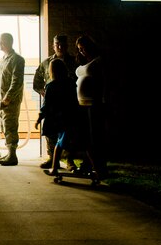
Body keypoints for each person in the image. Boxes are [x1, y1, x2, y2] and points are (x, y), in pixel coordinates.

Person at [32, 34, 77, 169]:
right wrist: (44, 92)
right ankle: (52, 159)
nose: (60, 46)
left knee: (69, 133)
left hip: (68, 104)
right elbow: (37, 82)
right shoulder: (46, 63)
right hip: (52, 105)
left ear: (67, 45)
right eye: (57, 44)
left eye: (62, 44)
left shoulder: (74, 61)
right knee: (51, 133)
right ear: (53, 45)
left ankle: (70, 160)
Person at [35, 57, 81, 181]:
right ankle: (70, 164)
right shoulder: (71, 83)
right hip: (71, 116)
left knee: (59, 144)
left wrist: (39, 118)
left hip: (59, 119)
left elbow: (46, 105)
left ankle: (55, 168)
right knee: (66, 142)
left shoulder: (51, 86)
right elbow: (75, 100)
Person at [0, 32, 25, 166]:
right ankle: (9, 153)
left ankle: (13, 156)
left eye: (2, 41)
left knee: (10, 126)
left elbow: (17, 81)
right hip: (0, 100)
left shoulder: (17, 60)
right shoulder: (3, 59)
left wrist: (8, 98)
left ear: (9, 42)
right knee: (4, 126)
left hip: (11, 101)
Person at [75, 34, 108, 180]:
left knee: (94, 138)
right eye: (79, 49)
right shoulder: (83, 60)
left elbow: (103, 83)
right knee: (84, 137)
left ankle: (100, 167)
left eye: (83, 48)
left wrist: (103, 100)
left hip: (93, 104)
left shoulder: (98, 61)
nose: (82, 51)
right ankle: (87, 164)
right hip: (81, 104)